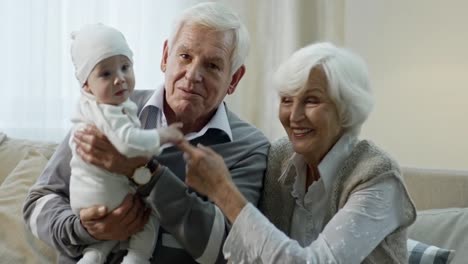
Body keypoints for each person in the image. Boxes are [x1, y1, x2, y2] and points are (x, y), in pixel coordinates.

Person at [22, 2, 269, 264]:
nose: (193, 74)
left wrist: (143, 171)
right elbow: (37, 202)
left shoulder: (249, 148)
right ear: (165, 56)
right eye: (184, 56)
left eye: (212, 66)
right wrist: (84, 230)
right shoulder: (107, 107)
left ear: (234, 79)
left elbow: (229, 251)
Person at [178, 42, 417, 263]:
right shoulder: (279, 158)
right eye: (286, 100)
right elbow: (250, 249)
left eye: (312, 101)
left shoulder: (377, 176)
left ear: (346, 109)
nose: (294, 116)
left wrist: (223, 191)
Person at [68, 24, 183, 264]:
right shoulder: (110, 112)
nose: (120, 79)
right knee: (149, 215)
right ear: (86, 84)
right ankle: (137, 258)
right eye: (106, 74)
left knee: (110, 231)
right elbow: (128, 143)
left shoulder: (88, 107)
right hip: (103, 193)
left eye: (125, 67)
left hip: (85, 197)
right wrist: (162, 136)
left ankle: (93, 255)